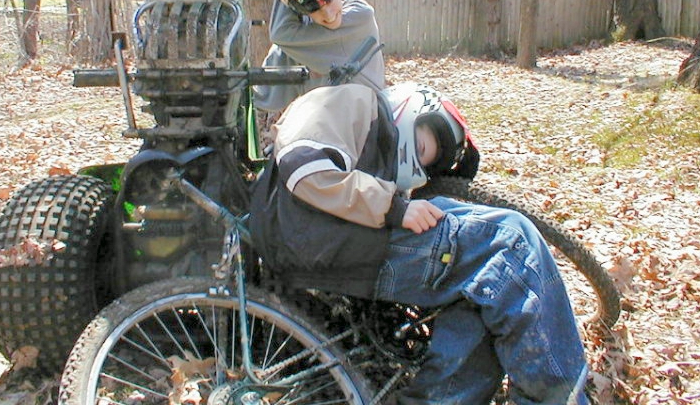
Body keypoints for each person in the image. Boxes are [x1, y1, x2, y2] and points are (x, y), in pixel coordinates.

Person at [249, 82, 589, 405]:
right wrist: (393, 207)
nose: (421, 166)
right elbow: (303, 165)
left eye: (428, 165)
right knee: (511, 244)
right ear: (414, 107)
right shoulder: (353, 101)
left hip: (333, 238)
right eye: (427, 147)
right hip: (326, 235)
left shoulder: (372, 137)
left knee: (480, 293)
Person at [252, 0, 385, 113]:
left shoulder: (360, 18)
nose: (328, 16)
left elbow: (280, 33)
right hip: (322, 120)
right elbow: (281, 35)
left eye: (329, 0)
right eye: (315, 10)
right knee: (283, 52)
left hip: (363, 121)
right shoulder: (305, 30)